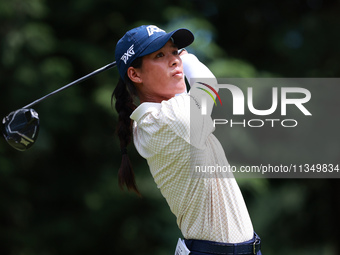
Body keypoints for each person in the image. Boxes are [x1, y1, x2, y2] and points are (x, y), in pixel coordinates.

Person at [112, 24, 262, 255]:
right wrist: (187, 57)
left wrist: (175, 59)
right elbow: (208, 84)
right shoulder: (166, 120)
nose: (174, 60)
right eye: (159, 55)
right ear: (135, 74)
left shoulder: (158, 118)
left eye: (174, 51)